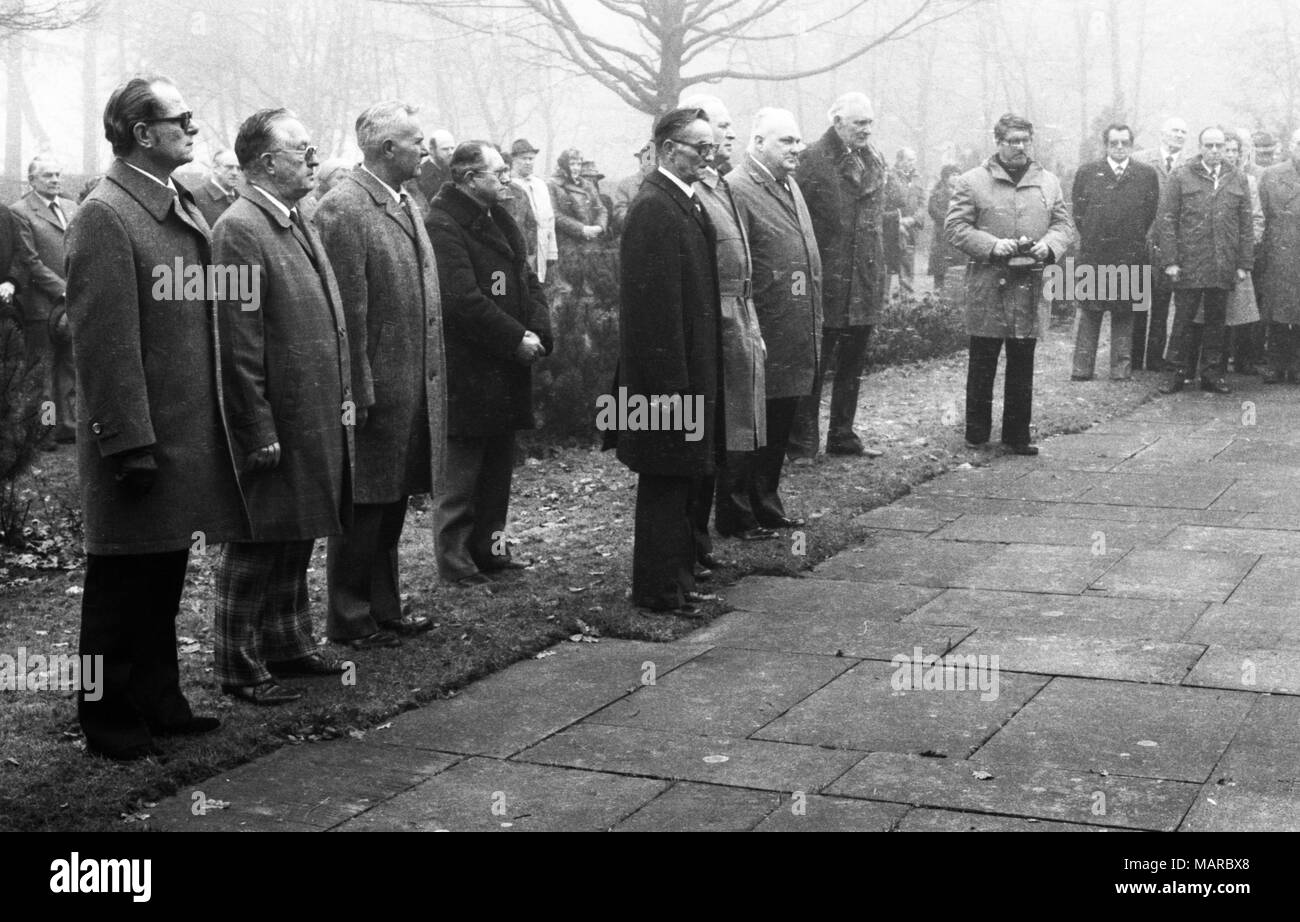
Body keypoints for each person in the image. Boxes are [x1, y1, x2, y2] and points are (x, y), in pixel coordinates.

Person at [66, 75, 245, 759]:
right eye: (183, 119)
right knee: (118, 583)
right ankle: (106, 720)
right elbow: (106, 348)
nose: (194, 129)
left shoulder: (173, 202)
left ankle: (159, 701)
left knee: (160, 575)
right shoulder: (107, 214)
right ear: (143, 132)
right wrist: (129, 444)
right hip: (140, 441)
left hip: (180, 433)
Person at [212, 108, 352, 705]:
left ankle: (288, 644)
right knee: (258, 537)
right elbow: (235, 340)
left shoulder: (294, 220)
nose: (315, 159)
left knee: (298, 531)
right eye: (304, 150)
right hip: (277, 416)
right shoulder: (239, 228)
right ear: (267, 162)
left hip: (311, 409)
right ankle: (239, 666)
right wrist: (254, 425)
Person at [314, 101, 446, 648]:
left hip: (410, 383)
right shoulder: (344, 208)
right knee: (365, 502)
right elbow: (347, 312)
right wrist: (357, 390)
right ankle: (348, 616)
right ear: (387, 149)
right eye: (416, 141)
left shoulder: (402, 200)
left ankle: (383, 607)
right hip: (375, 390)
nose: (425, 149)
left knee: (390, 502)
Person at [426, 142, 553, 586]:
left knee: (498, 469)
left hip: (505, 365)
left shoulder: (499, 217)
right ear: (467, 178)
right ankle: (456, 563)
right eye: (497, 173)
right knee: (462, 473)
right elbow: (461, 300)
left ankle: (490, 550)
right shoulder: (442, 224)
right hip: (470, 369)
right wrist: (516, 337)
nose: (506, 180)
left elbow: (527, 279)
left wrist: (539, 329)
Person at [613, 107, 721, 616]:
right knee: (665, 480)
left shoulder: (682, 201)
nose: (710, 155)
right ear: (668, 148)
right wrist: (669, 391)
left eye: (712, 147)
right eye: (700, 147)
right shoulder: (654, 208)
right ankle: (657, 591)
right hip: (666, 382)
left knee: (683, 480)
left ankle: (676, 579)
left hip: (685, 374)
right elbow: (653, 313)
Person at [946, 113, 1074, 456]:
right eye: (1011, 141)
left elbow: (1064, 225)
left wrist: (1049, 246)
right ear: (998, 142)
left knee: (1022, 362)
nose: (1019, 147)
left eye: (1024, 141)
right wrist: (991, 245)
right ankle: (976, 432)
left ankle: (1017, 435)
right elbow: (956, 227)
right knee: (983, 360)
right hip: (989, 284)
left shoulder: (1048, 181)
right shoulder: (971, 181)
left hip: (1029, 286)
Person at [729, 108, 823, 539]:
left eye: (798, 141)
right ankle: (738, 512)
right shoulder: (738, 188)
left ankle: (767, 502)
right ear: (758, 142)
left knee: (779, 421)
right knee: (750, 426)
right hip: (761, 328)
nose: (797, 149)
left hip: (794, 326)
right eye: (787, 141)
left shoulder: (789, 184)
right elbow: (737, 264)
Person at [682, 93, 766, 551]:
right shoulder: (695, 190)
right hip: (718, 318)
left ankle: (730, 516)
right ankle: (709, 525)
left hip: (740, 314)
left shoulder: (723, 184)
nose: (729, 134)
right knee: (716, 427)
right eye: (721, 126)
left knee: (739, 421)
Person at [791, 91, 887, 459]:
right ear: (837, 122)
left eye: (870, 122)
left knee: (853, 363)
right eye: (859, 123)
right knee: (815, 364)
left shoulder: (873, 158)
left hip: (863, 279)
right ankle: (803, 442)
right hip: (826, 280)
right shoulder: (812, 159)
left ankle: (843, 435)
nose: (867, 130)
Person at [1155, 126, 1254, 395]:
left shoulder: (1237, 178)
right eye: (1208, 145)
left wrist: (1243, 264)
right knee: (1183, 322)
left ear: (1225, 148)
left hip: (1223, 264)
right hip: (1189, 264)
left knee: (1216, 323)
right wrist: (1171, 261)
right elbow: (1167, 221)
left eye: (1219, 146)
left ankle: (1212, 374)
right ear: (1200, 147)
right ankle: (1174, 373)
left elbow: (1246, 225)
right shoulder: (1181, 176)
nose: (1214, 151)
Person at [1069, 123, 1159, 381]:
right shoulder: (1087, 172)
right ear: (1106, 145)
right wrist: (1095, 235)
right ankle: (1082, 369)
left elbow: (1148, 212)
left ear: (1131, 145)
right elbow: (1079, 212)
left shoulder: (1145, 174)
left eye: (1124, 143)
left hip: (1129, 254)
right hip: (1095, 253)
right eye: (1114, 143)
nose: (1119, 148)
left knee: (1125, 311)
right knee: (1090, 311)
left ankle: (1121, 369)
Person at [9, 155, 79, 447]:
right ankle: (44, 429)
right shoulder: (20, 211)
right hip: (41, 304)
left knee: (70, 367)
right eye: (47, 175)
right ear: (32, 180)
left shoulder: (73, 207)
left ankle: (68, 425)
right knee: (44, 372)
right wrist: (65, 290)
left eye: (57, 174)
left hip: (74, 301)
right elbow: (30, 261)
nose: (54, 180)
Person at [1132, 117, 1189, 370]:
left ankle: (1155, 359)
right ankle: (1133, 358)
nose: (1178, 135)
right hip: (1142, 239)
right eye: (1174, 130)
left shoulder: (1190, 165)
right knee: (1138, 301)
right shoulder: (1142, 160)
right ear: (1162, 134)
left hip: (1171, 243)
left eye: (1183, 132)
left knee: (1163, 303)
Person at [1258, 128, 1300, 383]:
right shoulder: (1272, 175)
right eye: (1299, 143)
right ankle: (1275, 362)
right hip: (1280, 249)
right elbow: (1262, 211)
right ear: (1291, 146)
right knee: (1277, 309)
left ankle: (1296, 365)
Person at [549, 147, 608, 305]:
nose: (576, 168)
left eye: (578, 164)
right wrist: (581, 229)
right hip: (567, 245)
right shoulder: (553, 185)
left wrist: (599, 227)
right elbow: (555, 215)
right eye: (572, 164)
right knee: (568, 291)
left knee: (591, 291)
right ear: (564, 165)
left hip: (591, 244)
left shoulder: (587, 185)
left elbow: (601, 209)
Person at [506, 138, 558, 282]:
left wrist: (552, 252)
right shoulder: (508, 185)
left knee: (538, 286)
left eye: (531, 158)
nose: (528, 162)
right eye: (524, 158)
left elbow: (550, 220)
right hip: (520, 247)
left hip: (542, 248)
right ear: (513, 160)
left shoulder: (540, 185)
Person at [884, 147, 925, 301]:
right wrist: (897, 221)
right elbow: (884, 202)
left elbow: (922, 203)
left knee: (907, 265)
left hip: (910, 230)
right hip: (891, 229)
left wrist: (913, 219)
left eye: (913, 160)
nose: (912, 163)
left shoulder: (917, 178)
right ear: (899, 160)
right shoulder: (889, 177)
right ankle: (883, 304)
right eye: (908, 160)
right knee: (887, 266)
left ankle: (907, 305)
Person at [927, 164, 961, 293]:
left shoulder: (964, 192)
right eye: (953, 175)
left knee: (958, 270)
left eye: (958, 175)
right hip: (942, 235)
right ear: (946, 177)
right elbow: (933, 210)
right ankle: (939, 298)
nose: (956, 178)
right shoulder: (937, 193)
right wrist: (951, 219)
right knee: (941, 269)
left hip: (959, 235)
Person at [611, 142, 655, 232]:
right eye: (647, 160)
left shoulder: (664, 184)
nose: (651, 165)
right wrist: (639, 220)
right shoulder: (627, 184)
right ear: (641, 164)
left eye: (653, 161)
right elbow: (619, 213)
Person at [191, 147, 241, 226]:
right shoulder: (194, 198)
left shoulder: (241, 199)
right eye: (229, 167)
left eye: (239, 168)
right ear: (215, 168)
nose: (235, 173)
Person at [411, 127, 455, 208]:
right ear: (432, 150)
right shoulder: (419, 174)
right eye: (445, 149)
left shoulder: (455, 172)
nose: (451, 153)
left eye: (452, 148)